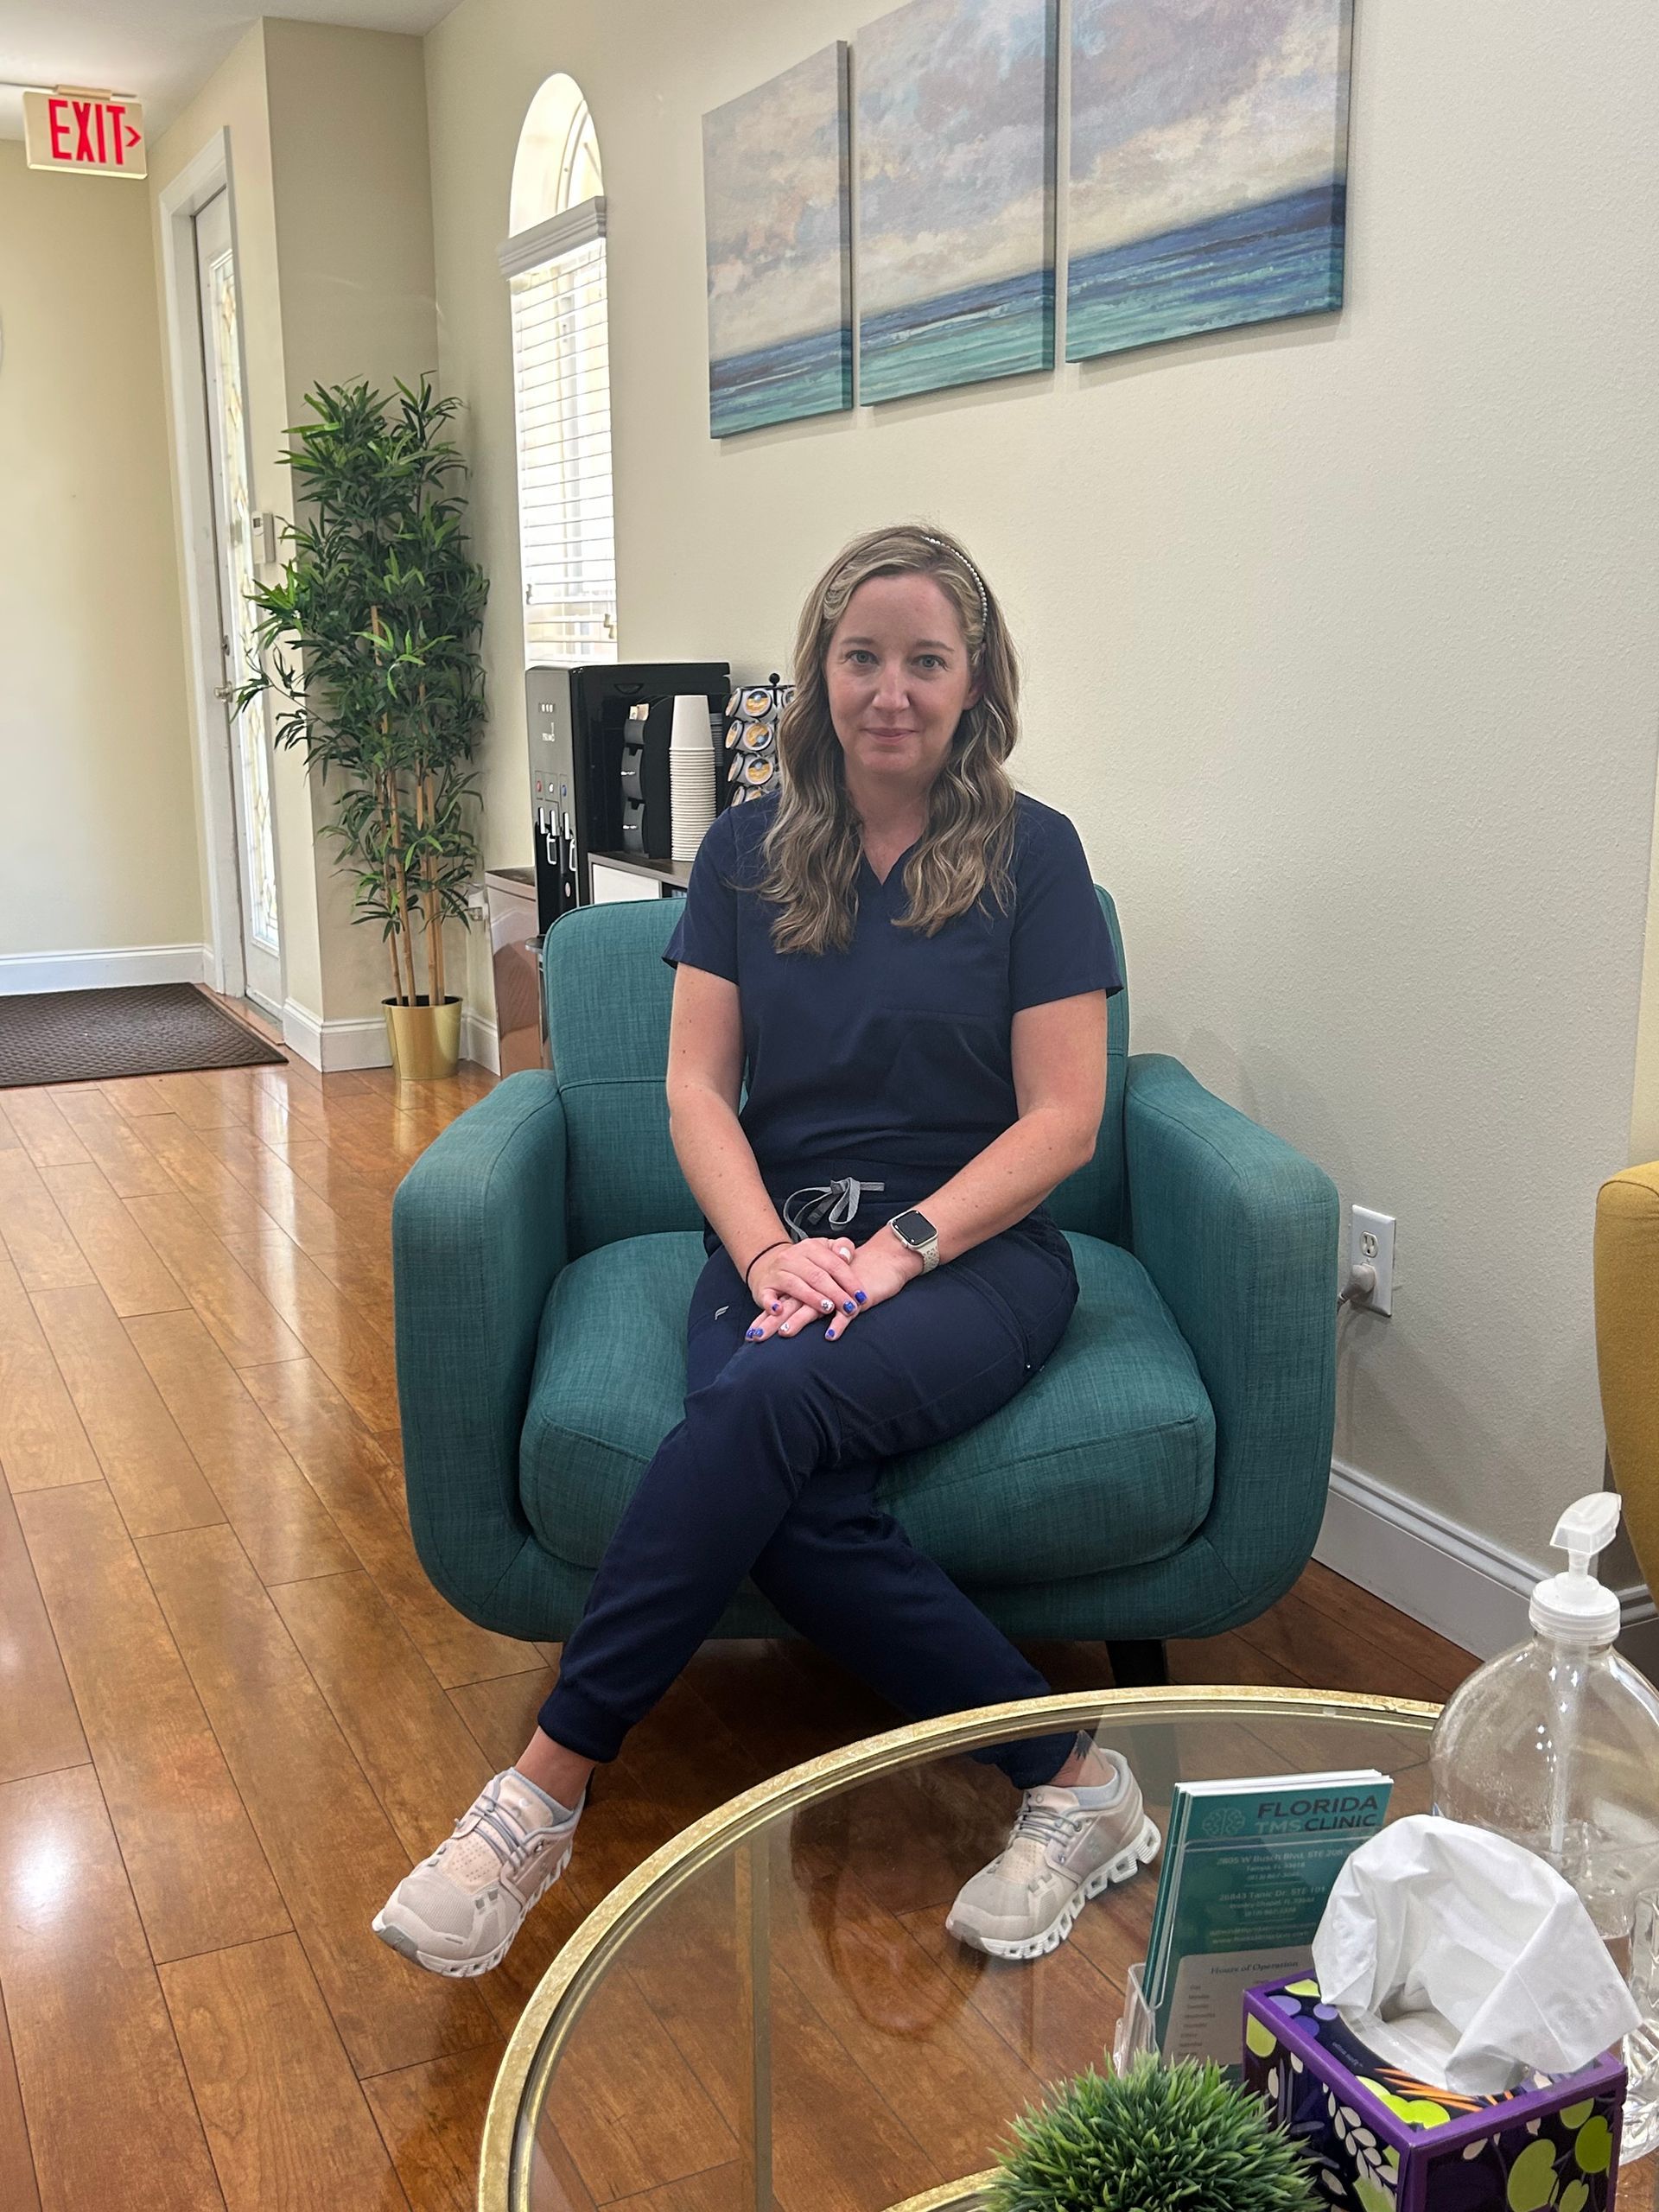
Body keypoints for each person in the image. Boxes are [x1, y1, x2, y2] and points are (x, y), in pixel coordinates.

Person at [374, 524, 1157, 1980]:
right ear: (818, 675)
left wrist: (905, 1248)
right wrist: (761, 1250)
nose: (892, 691)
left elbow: (1064, 1117)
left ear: (974, 678)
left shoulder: (1036, 856)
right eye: (863, 658)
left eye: (927, 659)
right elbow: (693, 1089)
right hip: (778, 1244)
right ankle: (1072, 1778)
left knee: (756, 1411)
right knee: (787, 1482)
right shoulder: (744, 852)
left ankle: (540, 1795)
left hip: (976, 1251)